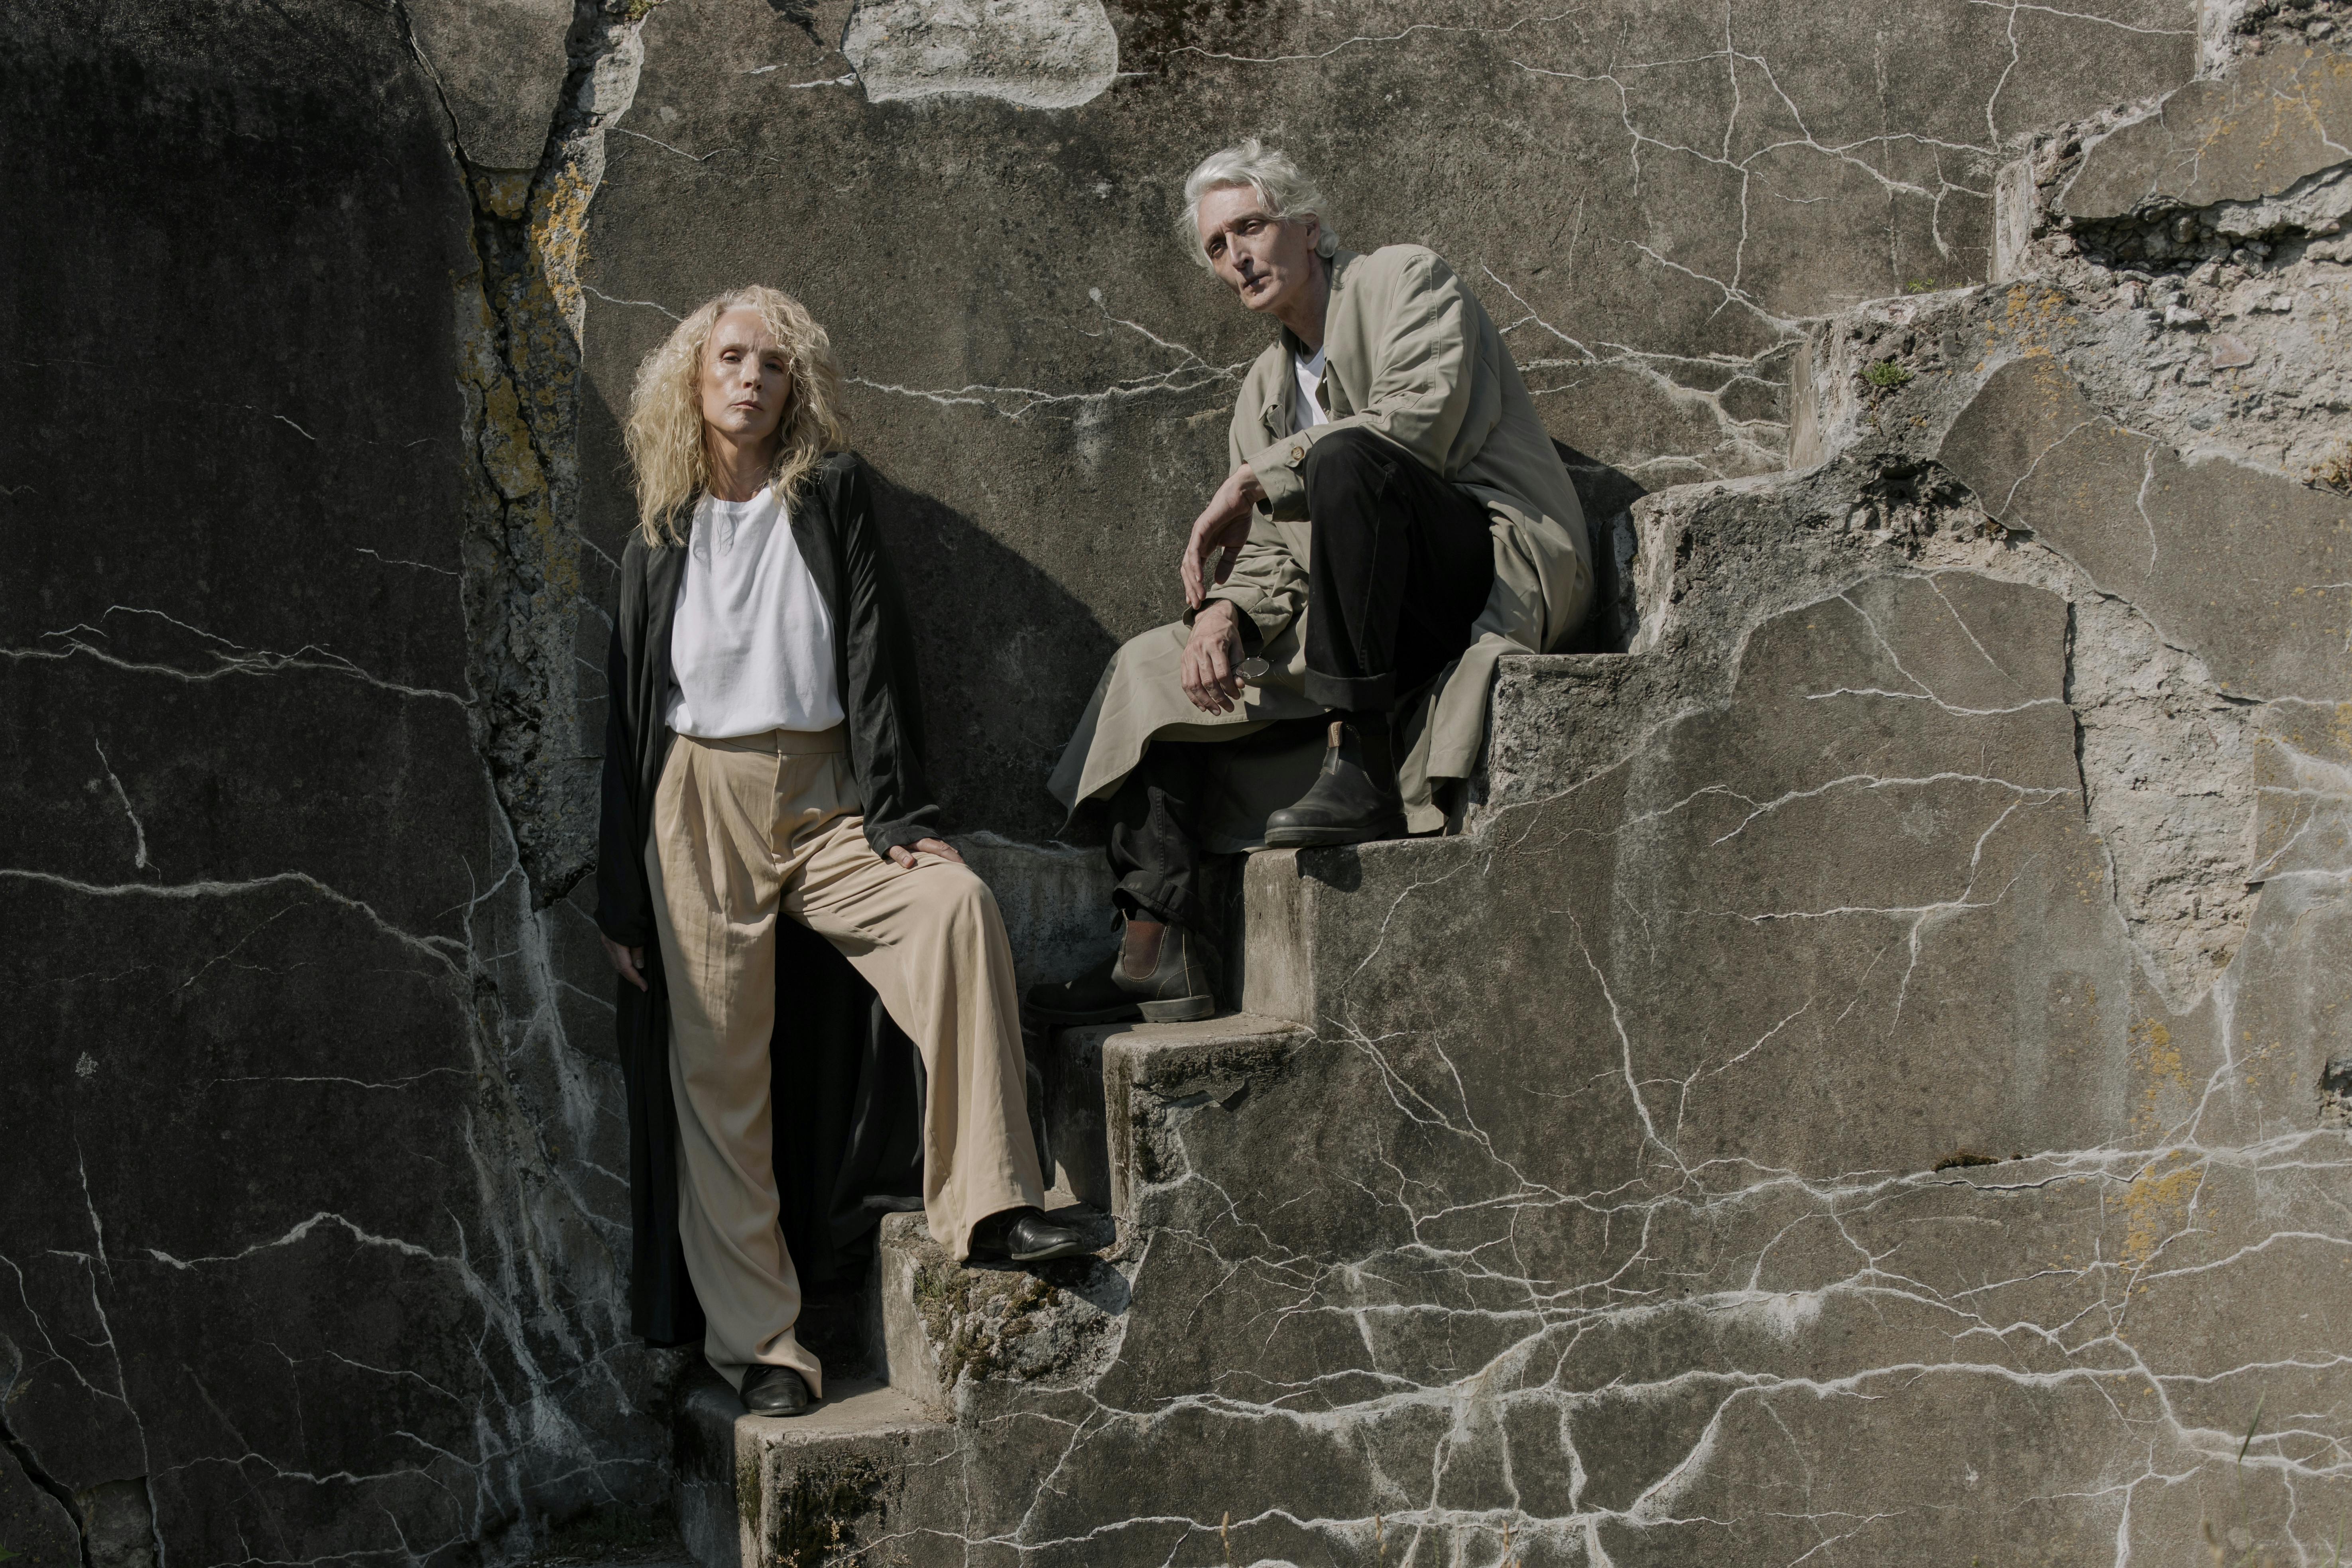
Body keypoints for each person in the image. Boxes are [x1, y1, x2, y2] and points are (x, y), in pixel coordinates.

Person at [594, 286, 1086, 1419]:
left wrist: (899, 814)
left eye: (770, 363)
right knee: (716, 1067)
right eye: (729, 359)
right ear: (692, 379)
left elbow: (876, 649)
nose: (749, 379)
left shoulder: (832, 496)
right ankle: (765, 1341)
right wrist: (624, 901)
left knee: (955, 908)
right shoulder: (655, 540)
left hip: (828, 795)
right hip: (698, 801)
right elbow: (626, 725)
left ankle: (992, 1202)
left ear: (794, 383)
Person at [1031, 141, 1594, 1025]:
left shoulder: (1406, 279)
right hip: (1357, 608)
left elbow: (1416, 424)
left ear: (1307, 224)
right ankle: (1154, 947)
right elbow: (1277, 555)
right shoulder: (1263, 384)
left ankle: (1361, 760)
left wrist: (1263, 473)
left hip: (1480, 559)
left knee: (1345, 456)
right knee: (1155, 663)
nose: (1238, 257)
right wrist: (1226, 613)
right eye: (1218, 247)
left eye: (1250, 227)